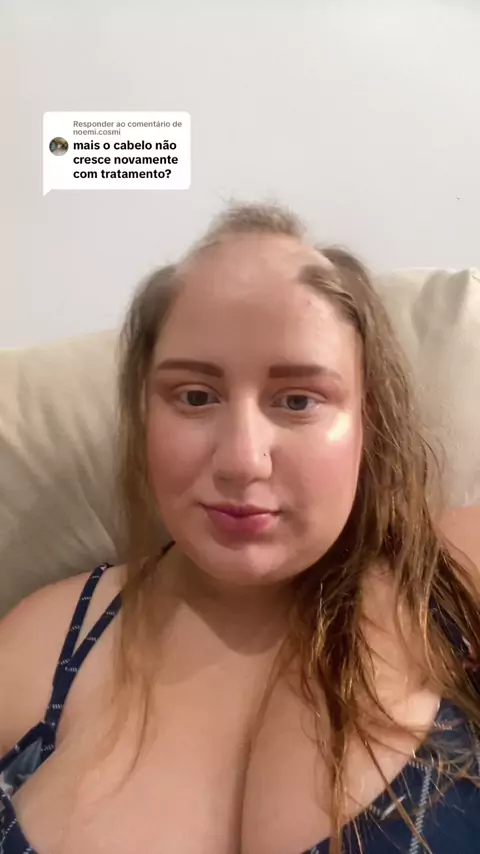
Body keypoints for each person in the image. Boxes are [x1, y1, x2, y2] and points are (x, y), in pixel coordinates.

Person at [0, 202, 479, 854]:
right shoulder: (42, 644)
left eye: (298, 400)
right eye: (196, 397)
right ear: (145, 417)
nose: (242, 460)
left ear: (368, 420)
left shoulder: (451, 576)